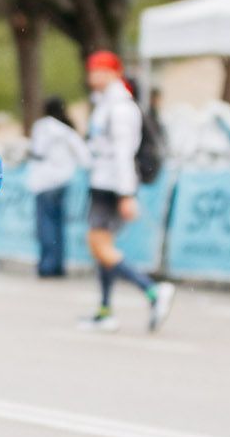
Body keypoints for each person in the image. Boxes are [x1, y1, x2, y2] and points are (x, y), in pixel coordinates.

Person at [81, 51, 175, 332]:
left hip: (113, 185)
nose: (92, 76)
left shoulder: (121, 107)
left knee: (99, 245)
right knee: (102, 247)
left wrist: (125, 194)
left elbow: (124, 153)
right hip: (102, 181)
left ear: (113, 72)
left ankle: (152, 291)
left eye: (98, 70)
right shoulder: (105, 103)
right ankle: (106, 309)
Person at [26, 95, 89, 278]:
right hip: (62, 181)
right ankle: (58, 264)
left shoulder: (42, 127)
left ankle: (46, 265)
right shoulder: (67, 130)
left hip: (43, 182)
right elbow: (84, 157)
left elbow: (37, 151)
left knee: (45, 225)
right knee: (59, 225)